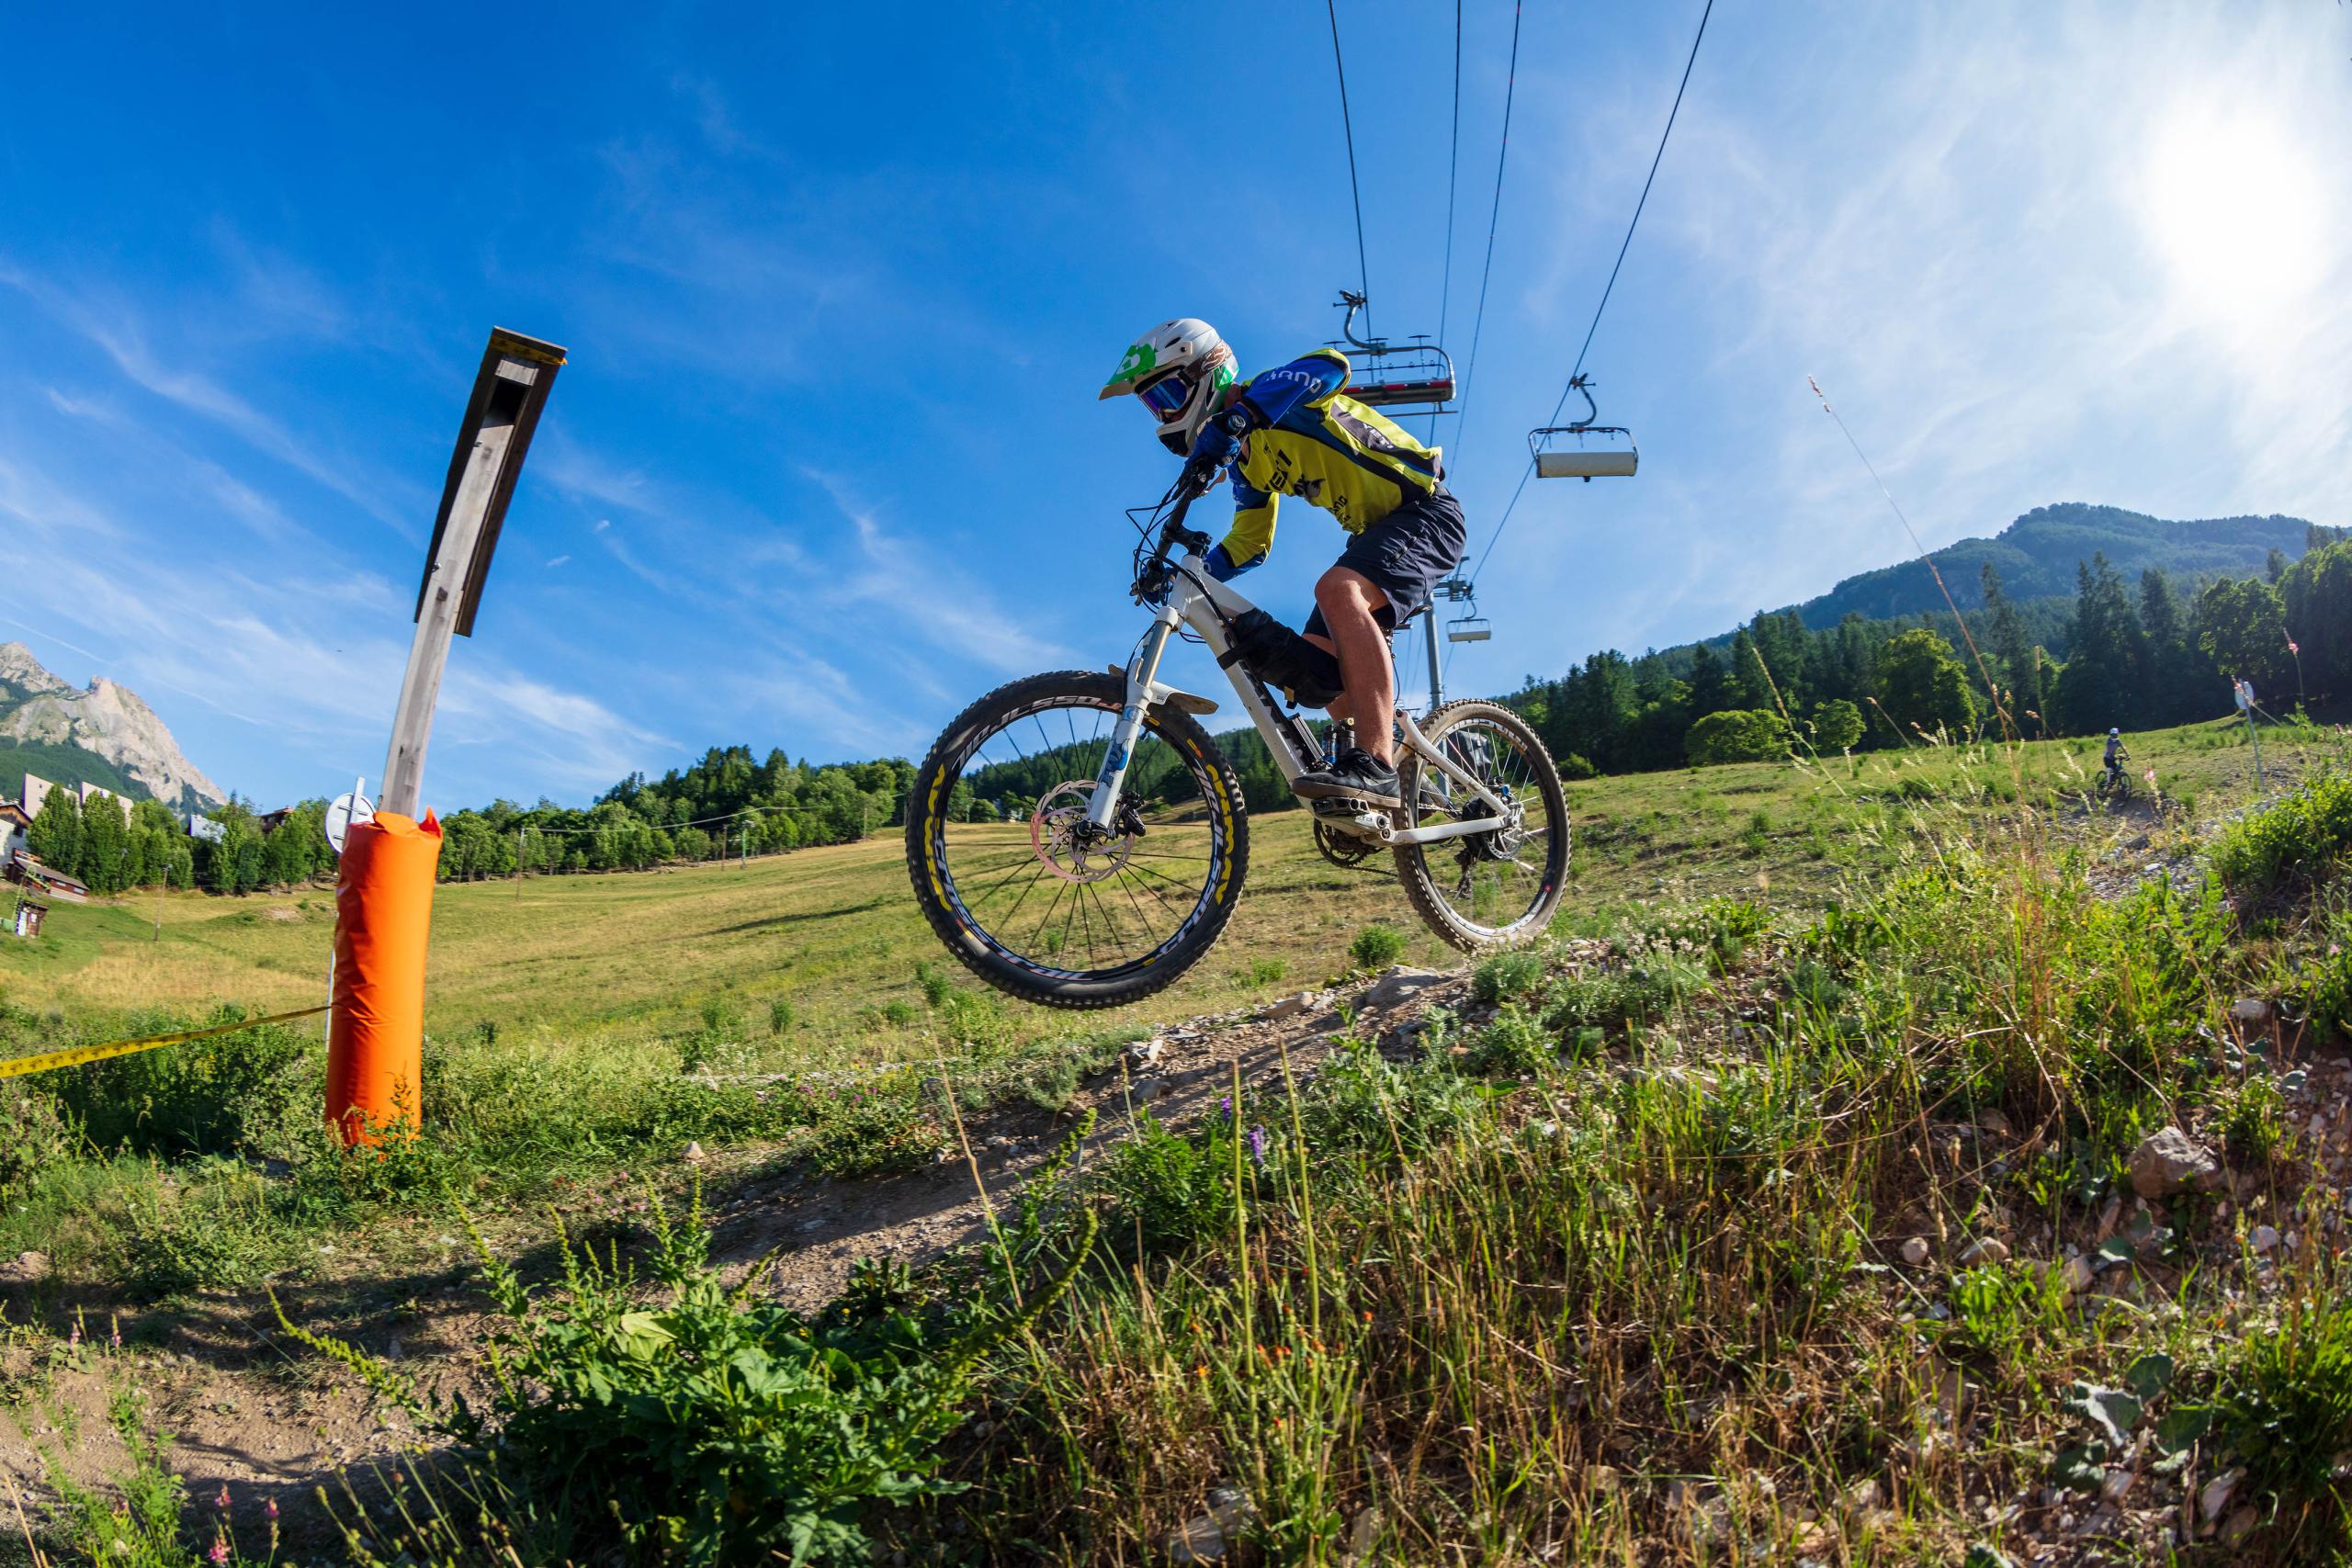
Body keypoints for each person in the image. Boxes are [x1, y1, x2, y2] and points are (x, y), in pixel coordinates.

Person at [1100, 319, 1466, 807]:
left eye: (1167, 394)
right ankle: (1395, 787)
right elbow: (1251, 542)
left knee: (1337, 591)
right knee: (1314, 672)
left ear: (1206, 370)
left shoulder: (1277, 396)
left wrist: (1244, 413)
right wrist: (1190, 573)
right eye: (1154, 406)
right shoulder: (1248, 464)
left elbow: (1332, 366)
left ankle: (1374, 763)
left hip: (1424, 511)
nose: (1164, 413)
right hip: (1374, 538)